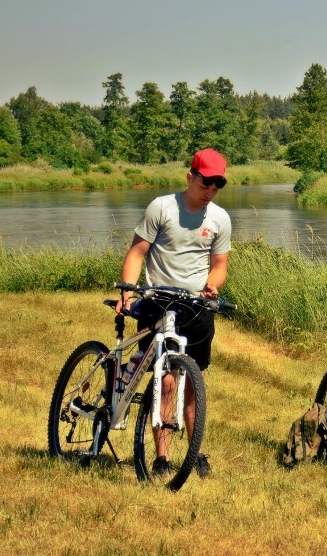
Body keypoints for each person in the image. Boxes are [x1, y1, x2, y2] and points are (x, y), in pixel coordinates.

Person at [116, 147, 232, 478]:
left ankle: (194, 452)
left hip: (197, 306)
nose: (210, 190)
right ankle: (163, 457)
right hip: (158, 301)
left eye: (217, 185)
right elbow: (137, 253)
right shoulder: (162, 207)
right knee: (166, 381)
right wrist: (128, 290)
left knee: (195, 382)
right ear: (190, 177)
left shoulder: (220, 218)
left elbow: (220, 265)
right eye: (205, 182)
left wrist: (212, 284)